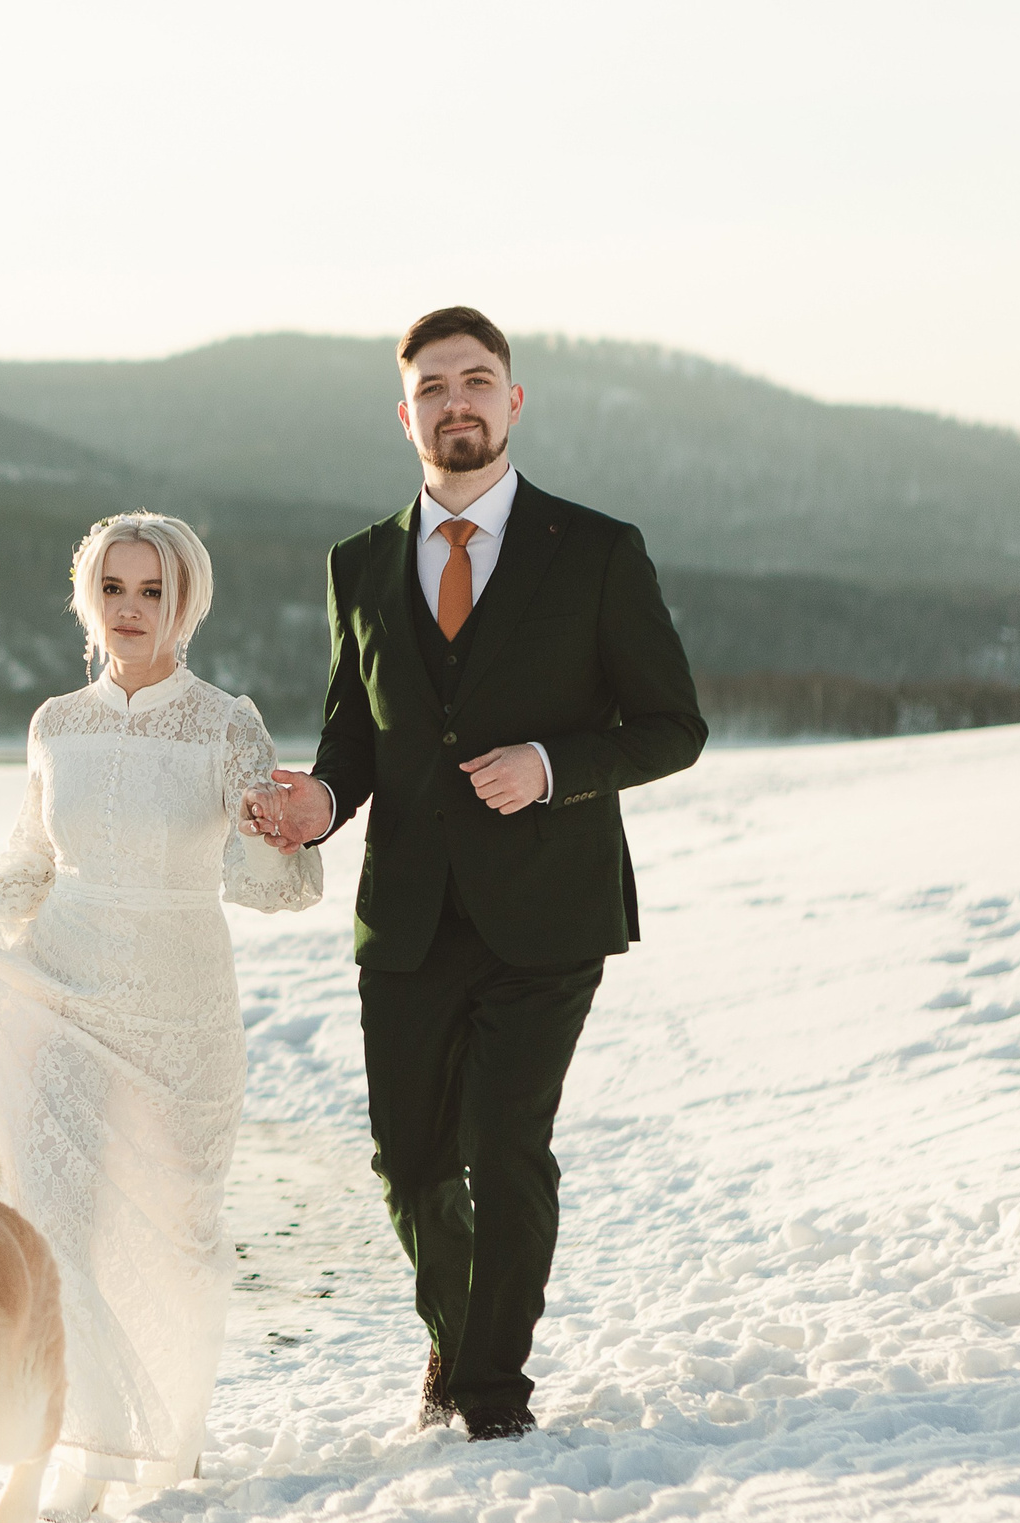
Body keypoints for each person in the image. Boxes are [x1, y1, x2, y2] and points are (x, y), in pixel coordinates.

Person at [246, 306, 707, 1440]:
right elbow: (354, 732)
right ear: (405, 415)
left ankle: (489, 1393)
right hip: (404, 914)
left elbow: (671, 726)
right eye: (435, 386)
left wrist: (552, 766)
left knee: (505, 1152)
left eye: (479, 380)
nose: (458, 401)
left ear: (513, 400)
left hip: (549, 908)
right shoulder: (357, 562)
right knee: (408, 1168)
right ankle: (454, 1337)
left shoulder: (597, 550)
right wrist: (321, 800)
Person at [0, 511, 323, 1511]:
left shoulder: (227, 723)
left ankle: (162, 1446)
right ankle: (67, 1448)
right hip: (62, 991)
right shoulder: (57, 723)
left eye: (153, 592)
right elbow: (28, 867)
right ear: (87, 598)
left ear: (186, 603)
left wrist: (276, 836)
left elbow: (283, 887)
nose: (132, 610)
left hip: (182, 1010)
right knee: (59, 1226)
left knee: (173, 1228)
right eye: (114, 589)